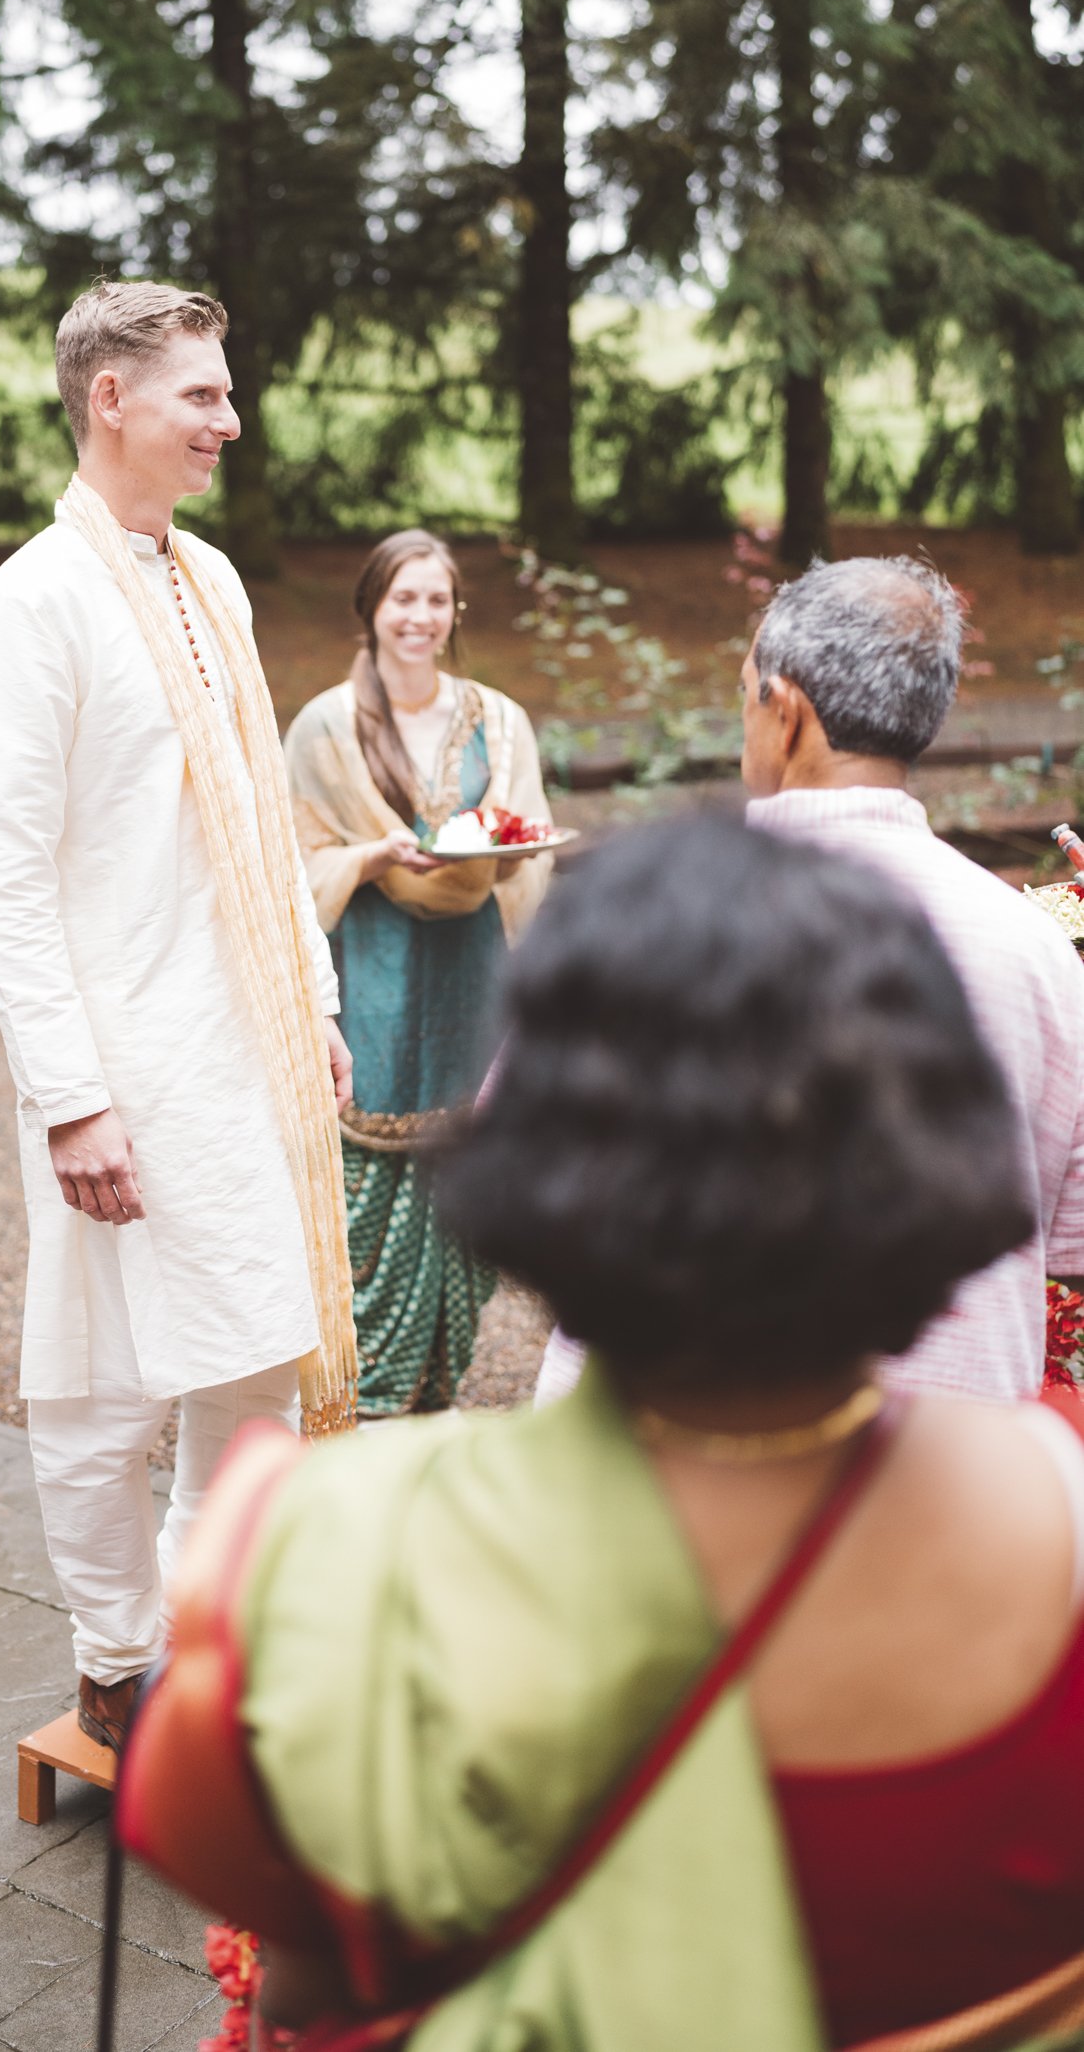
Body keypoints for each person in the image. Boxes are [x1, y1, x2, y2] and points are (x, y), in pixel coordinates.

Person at [121, 817, 1084, 2052]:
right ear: (934, 1144)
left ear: (548, 1146)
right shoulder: (1058, 1525)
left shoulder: (328, 1546)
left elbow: (298, 2003)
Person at [0, 278, 356, 1755]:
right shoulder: (26, 609)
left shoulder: (214, 582)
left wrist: (311, 997)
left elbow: (255, 813)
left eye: (227, 393)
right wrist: (70, 1096)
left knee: (251, 1344)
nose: (229, 420)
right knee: (103, 1392)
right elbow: (10, 873)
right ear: (108, 398)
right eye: (202, 394)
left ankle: (215, 1653)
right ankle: (120, 1666)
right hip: (121, 1062)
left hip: (242, 1043)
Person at [537, 554, 1084, 1409]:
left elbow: (531, 1180)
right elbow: (1069, 1241)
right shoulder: (1035, 947)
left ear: (783, 712)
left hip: (663, 1470)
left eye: (745, 690)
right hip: (950, 1481)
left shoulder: (648, 912)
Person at [284, 530, 553, 1414]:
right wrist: (371, 857)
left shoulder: (497, 720)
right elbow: (292, 860)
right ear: (371, 607)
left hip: (471, 960)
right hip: (372, 968)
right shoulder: (325, 725)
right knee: (365, 1182)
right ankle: (355, 1393)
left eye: (436, 600)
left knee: (464, 1166)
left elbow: (528, 840)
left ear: (454, 612)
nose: (421, 617)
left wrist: (493, 855)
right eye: (404, 598)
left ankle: (438, 1383)